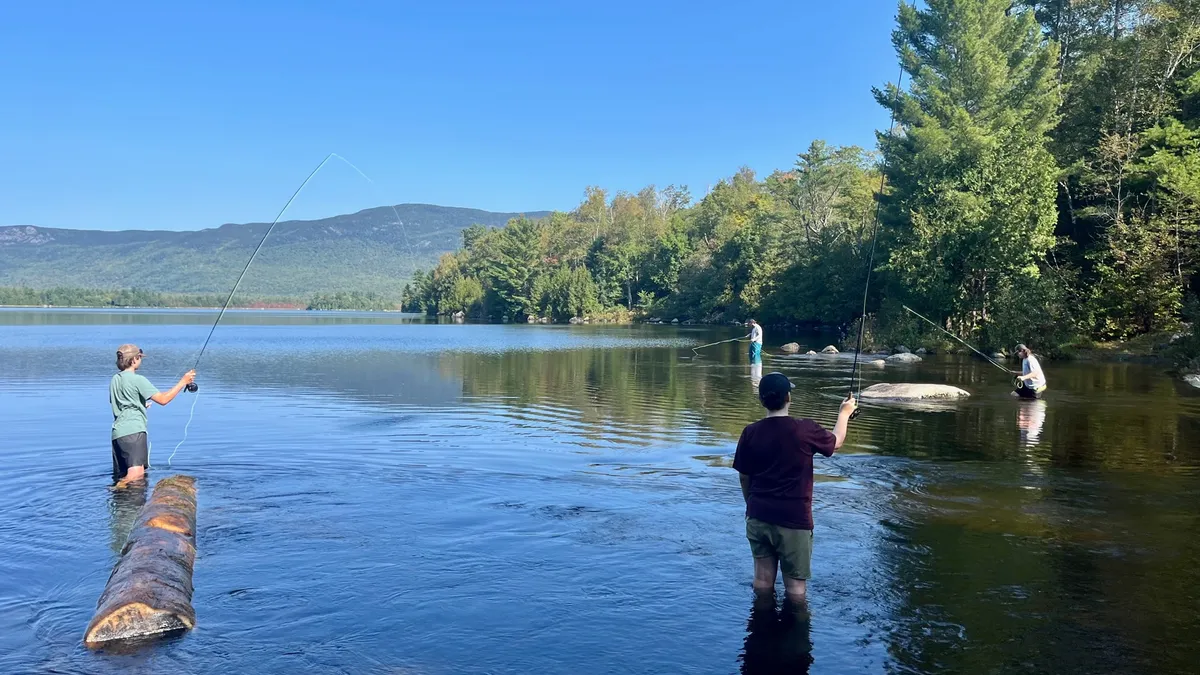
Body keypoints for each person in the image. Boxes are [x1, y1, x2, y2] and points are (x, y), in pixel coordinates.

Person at [733, 372, 856, 601]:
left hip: (758, 515)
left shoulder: (750, 432)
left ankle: (759, 631)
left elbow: (744, 476)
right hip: (794, 520)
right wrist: (844, 413)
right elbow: (836, 443)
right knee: (795, 589)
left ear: (761, 400)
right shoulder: (804, 429)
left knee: (761, 582)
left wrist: (751, 503)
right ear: (789, 397)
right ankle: (795, 633)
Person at [110, 344, 196, 485]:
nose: (140, 360)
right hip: (133, 432)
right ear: (134, 359)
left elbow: (122, 402)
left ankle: (122, 499)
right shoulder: (138, 380)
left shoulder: (115, 379)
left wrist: (141, 405)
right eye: (139, 357)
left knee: (124, 474)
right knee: (136, 475)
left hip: (117, 434)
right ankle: (118, 487)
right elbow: (163, 400)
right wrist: (183, 382)